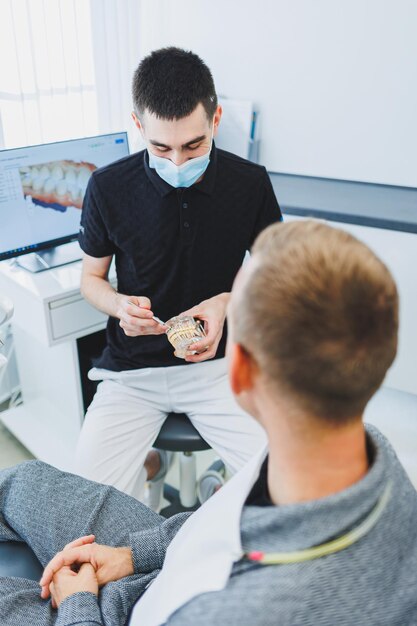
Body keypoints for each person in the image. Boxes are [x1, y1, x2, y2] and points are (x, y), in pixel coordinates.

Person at [2, 219, 417, 626]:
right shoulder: (364, 449)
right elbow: (227, 512)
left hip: (111, 613)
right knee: (21, 482)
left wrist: (78, 604)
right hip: (167, 561)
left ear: (238, 371)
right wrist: (130, 556)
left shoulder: (232, 612)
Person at [75, 47, 282, 505]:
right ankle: (150, 462)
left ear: (215, 119)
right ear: (138, 125)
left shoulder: (251, 184)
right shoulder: (107, 187)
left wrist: (226, 304)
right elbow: (91, 279)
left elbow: (276, 274)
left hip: (220, 370)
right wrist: (118, 305)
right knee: (84, 512)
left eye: (194, 146)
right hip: (131, 374)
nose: (178, 162)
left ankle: (218, 488)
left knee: (283, 493)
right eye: (160, 148)